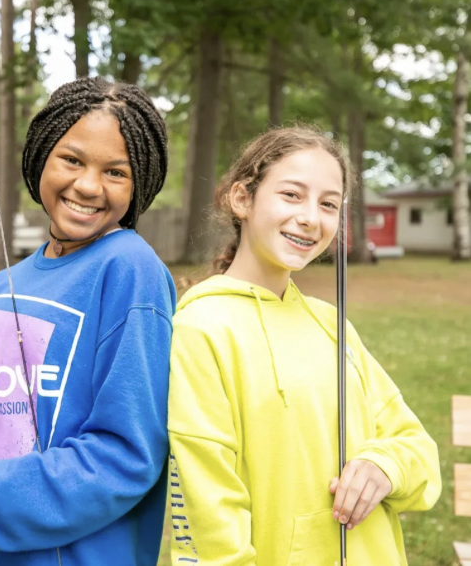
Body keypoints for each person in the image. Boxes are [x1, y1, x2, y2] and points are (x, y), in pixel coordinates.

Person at [0, 76, 176, 565]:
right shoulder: (7, 283)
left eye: (116, 171)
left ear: (141, 184)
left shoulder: (131, 271)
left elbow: (124, 457)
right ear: (41, 156)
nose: (88, 185)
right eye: (72, 160)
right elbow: (2, 430)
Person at [167, 126, 441, 565]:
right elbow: (207, 511)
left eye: (328, 204)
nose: (312, 217)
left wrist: (385, 466)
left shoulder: (331, 323)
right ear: (242, 199)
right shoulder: (201, 328)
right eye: (292, 195)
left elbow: (418, 449)